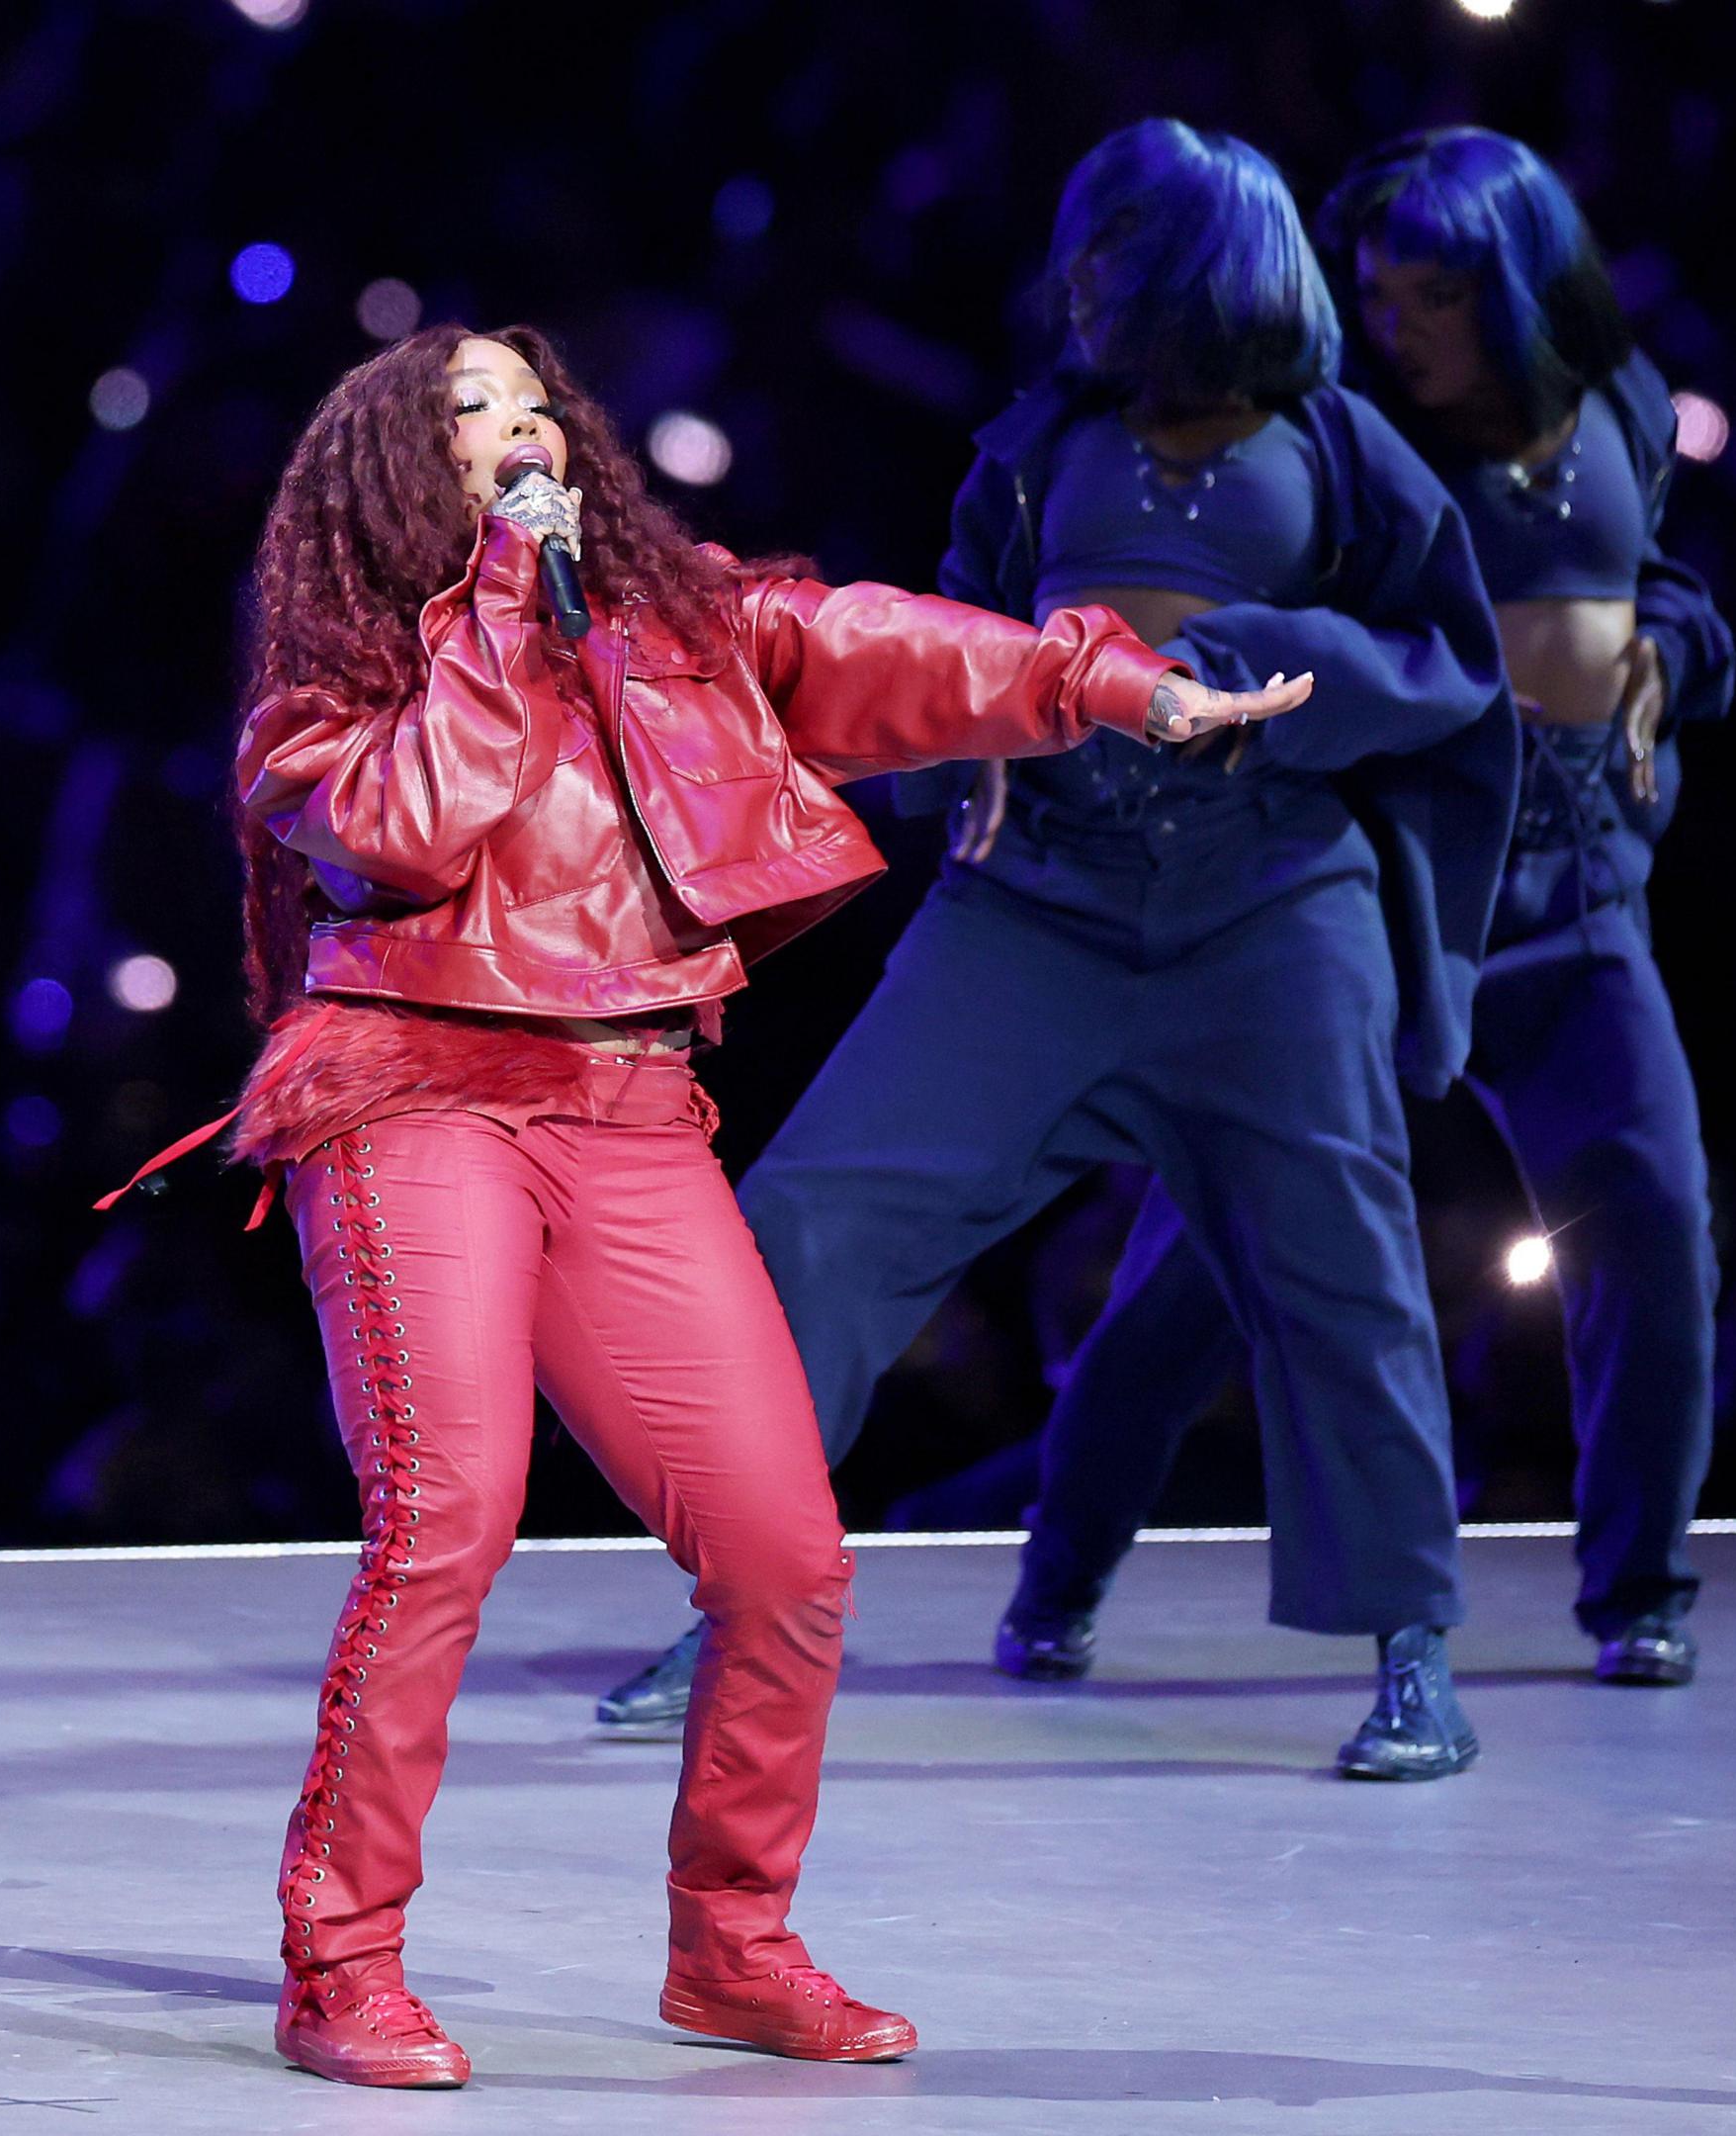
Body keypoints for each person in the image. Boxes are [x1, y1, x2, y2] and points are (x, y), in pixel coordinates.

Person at [202, 322, 1303, 2087]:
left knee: (788, 1554)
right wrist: (503, 600)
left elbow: (877, 641)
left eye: (535, 404)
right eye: (472, 412)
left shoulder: (672, 618)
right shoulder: (326, 690)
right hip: (417, 1097)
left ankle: (735, 1946)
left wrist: (1111, 686)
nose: (522, 431)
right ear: (402, 468)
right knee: (449, 1521)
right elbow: (414, 827)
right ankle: (340, 1962)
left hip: (630, 1110)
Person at [592, 120, 1517, 1780]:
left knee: (1342, 1273)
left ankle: (1413, 1650)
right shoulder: (1037, 448)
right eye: (1078, 252)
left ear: (1199, 264)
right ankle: (736, 1602)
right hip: (1038, 913)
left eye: (1110, 252)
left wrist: (1280, 662)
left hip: (1264, 918)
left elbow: (1446, 668)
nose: (1075, 283)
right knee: (815, 1220)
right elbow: (946, 643)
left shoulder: (1344, 447)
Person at [1009, 127, 1736, 1689]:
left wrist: (1672, 653)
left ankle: (1640, 1594)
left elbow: (1657, 578)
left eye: (1430, 299)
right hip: (1397, 896)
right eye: (1381, 292)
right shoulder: (1335, 436)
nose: (1391, 322)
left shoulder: (1619, 402)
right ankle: (1059, 1569)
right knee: (1207, 1266)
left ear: (1518, 292)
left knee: (1657, 1225)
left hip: (1585, 890)